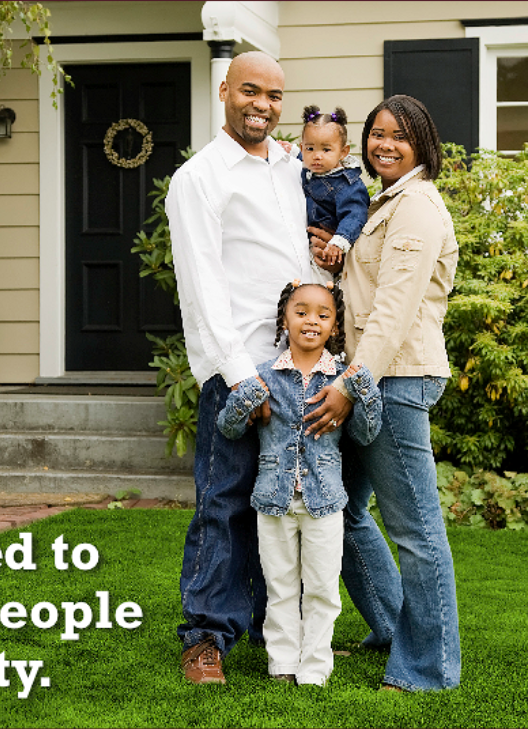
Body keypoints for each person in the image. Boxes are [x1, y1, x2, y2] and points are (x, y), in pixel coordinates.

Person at [165, 51, 327, 685]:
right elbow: (202, 288)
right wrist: (239, 376)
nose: (263, 104)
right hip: (239, 368)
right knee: (225, 501)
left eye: (275, 96)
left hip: (299, 364)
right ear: (225, 90)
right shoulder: (200, 178)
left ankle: (271, 627)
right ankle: (206, 637)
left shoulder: (291, 166)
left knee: (286, 502)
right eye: (251, 91)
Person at [304, 94, 461, 692]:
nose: (384, 144)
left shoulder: (417, 206)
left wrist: (351, 382)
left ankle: (428, 666)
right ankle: (393, 629)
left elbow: (394, 311)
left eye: (399, 134)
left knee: (416, 531)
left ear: (422, 142)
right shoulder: (383, 205)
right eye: (376, 134)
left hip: (392, 380)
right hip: (372, 374)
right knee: (338, 508)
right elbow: (369, 289)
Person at [217, 280, 381, 686]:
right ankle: (282, 665)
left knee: (323, 589)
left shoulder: (343, 381)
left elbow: (365, 434)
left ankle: (314, 669)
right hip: (273, 501)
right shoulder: (262, 375)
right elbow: (229, 427)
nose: (312, 321)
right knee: (281, 587)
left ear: (335, 328)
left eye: (323, 315)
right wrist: (245, 396)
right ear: (285, 319)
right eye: (302, 312)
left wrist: (363, 389)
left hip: (324, 502)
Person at [300, 105, 370, 267]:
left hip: (330, 248)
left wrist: (339, 242)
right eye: (310, 148)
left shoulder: (347, 184)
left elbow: (355, 215)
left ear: (343, 152)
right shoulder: (309, 169)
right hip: (306, 246)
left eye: (326, 149)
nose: (317, 156)